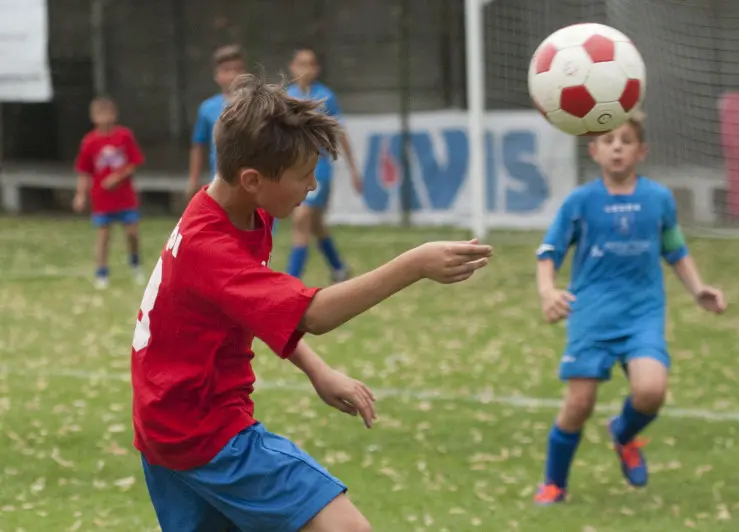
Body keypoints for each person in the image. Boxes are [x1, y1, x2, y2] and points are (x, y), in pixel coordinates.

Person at [131, 73, 493, 532]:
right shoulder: (212, 246)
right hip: (208, 434)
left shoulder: (232, 209)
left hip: (166, 429)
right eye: (305, 177)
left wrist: (317, 370)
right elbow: (314, 314)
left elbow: (259, 309)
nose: (313, 187)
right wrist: (413, 265)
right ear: (252, 179)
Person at [532, 114, 726, 505]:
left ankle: (623, 433)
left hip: (642, 312)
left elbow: (676, 250)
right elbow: (548, 252)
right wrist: (548, 291)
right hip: (592, 314)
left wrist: (698, 288)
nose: (616, 146)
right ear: (594, 151)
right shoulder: (581, 201)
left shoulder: (658, 199)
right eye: (607, 140)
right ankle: (554, 483)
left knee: (651, 391)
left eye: (625, 140)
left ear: (642, 151)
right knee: (578, 404)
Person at [285, 47, 362, 282]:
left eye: (309, 64)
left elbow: (340, 133)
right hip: (293, 165)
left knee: (301, 218)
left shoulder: (325, 97)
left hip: (319, 168)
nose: (304, 69)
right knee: (315, 223)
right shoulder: (286, 96)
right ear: (292, 67)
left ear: (316, 69)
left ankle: (291, 280)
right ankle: (339, 268)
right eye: (300, 63)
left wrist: (353, 170)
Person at [73, 96, 145, 289]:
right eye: (99, 114)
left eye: (107, 113)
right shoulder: (89, 142)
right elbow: (84, 171)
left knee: (132, 233)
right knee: (103, 236)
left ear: (114, 114)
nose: (104, 118)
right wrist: (80, 195)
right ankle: (102, 273)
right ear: (93, 117)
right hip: (102, 199)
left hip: (125, 198)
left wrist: (118, 177)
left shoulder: (124, 136)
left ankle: (135, 263)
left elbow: (134, 163)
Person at [185, 44, 247, 198]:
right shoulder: (207, 108)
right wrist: (193, 180)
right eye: (227, 70)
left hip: (254, 181)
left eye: (237, 69)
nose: (233, 75)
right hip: (222, 181)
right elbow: (198, 145)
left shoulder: (257, 104)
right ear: (217, 75)